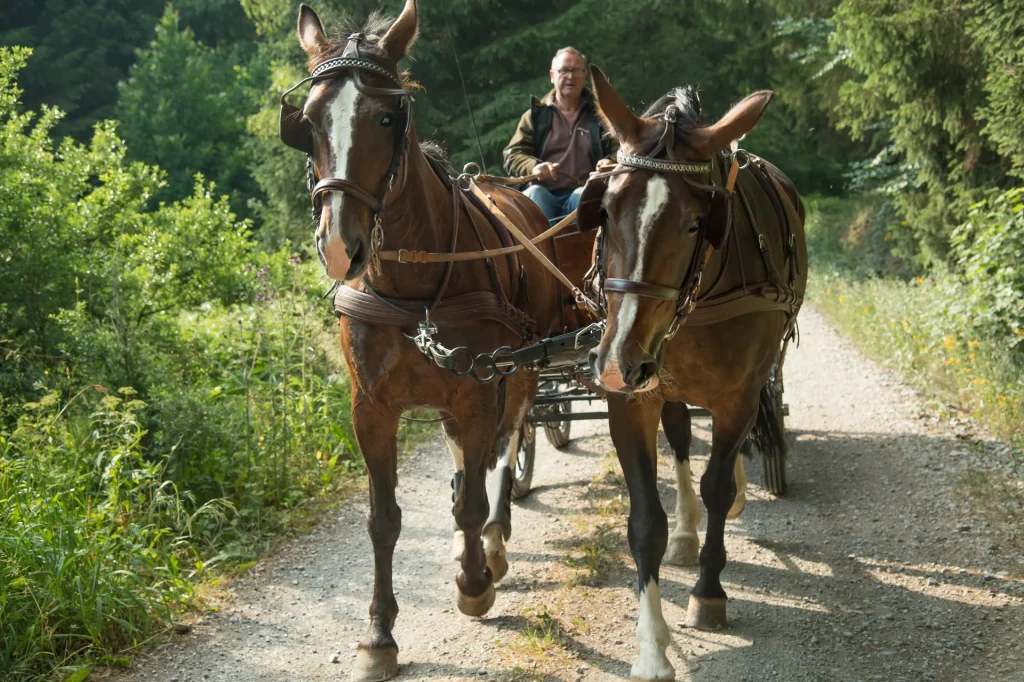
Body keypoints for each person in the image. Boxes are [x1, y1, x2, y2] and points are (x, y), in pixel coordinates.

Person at [503, 47, 616, 224]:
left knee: (583, 196)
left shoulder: (600, 116)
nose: (570, 76)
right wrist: (534, 167)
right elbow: (513, 154)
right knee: (534, 194)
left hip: (582, 190)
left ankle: (585, 251)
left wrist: (611, 162)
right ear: (552, 75)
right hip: (542, 192)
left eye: (576, 70)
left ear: (585, 75)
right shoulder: (535, 116)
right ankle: (540, 251)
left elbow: (624, 150)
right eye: (564, 70)